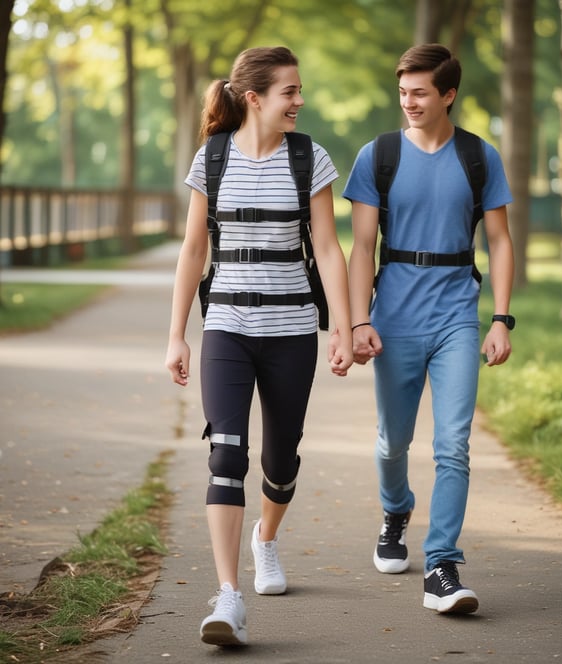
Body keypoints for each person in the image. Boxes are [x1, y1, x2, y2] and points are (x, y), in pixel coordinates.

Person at [165, 46, 353, 647]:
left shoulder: (309, 158)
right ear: (254, 98)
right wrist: (177, 336)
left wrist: (343, 330)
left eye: (299, 91)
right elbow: (194, 252)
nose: (300, 101)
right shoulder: (212, 159)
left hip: (292, 331)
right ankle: (228, 597)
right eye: (290, 92)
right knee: (226, 456)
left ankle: (265, 540)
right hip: (226, 329)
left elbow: (327, 248)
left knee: (280, 460)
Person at [343, 43, 514, 615]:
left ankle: (442, 564)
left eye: (420, 92)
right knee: (394, 441)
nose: (409, 102)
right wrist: (359, 320)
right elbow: (362, 245)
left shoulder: (479, 158)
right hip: (392, 319)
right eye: (402, 92)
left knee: (453, 445)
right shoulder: (379, 155)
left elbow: (500, 241)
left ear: (448, 94)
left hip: (456, 319)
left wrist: (501, 319)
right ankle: (396, 510)